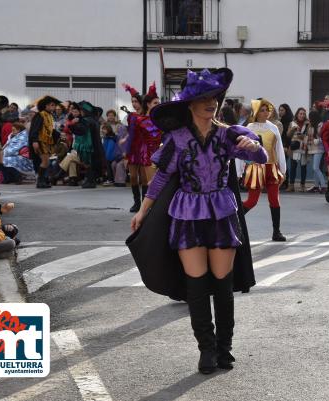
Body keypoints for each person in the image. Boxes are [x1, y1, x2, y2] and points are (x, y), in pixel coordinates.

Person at [132, 68, 266, 374]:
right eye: (203, 98)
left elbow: (259, 157)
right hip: (187, 214)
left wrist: (253, 147)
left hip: (221, 212)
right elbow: (162, 177)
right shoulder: (177, 138)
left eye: (214, 98)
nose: (211, 103)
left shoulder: (230, 134)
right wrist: (143, 210)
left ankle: (224, 348)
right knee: (197, 286)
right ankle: (206, 349)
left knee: (222, 284)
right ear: (190, 103)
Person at [236, 99, 287, 241]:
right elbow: (241, 151)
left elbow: (279, 149)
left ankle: (276, 232)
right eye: (263, 110)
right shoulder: (249, 128)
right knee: (252, 201)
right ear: (257, 112)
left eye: (267, 110)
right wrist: (239, 171)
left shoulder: (273, 128)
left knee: (274, 200)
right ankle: (233, 221)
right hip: (255, 168)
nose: (266, 112)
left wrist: (283, 169)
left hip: (272, 167)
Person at [122, 82, 162, 212]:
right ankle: (137, 202)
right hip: (136, 150)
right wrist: (127, 153)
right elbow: (132, 135)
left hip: (151, 152)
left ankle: (146, 206)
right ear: (149, 104)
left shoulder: (159, 118)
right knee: (133, 177)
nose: (134, 104)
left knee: (146, 180)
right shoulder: (135, 118)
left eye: (136, 101)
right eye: (132, 101)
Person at [28, 95, 60, 188]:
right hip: (40, 141)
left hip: (47, 142)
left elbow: (50, 130)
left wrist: (59, 135)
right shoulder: (40, 115)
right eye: (52, 105)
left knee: (45, 162)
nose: (54, 107)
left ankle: (44, 180)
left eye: (54, 105)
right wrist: (34, 141)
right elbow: (35, 129)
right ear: (45, 106)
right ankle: (40, 181)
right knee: (45, 162)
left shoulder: (50, 116)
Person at [286, 107, 309, 192]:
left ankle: (302, 185)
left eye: (303, 114)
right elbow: (288, 135)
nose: (302, 115)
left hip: (304, 147)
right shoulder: (292, 123)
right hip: (294, 148)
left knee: (303, 167)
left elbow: (310, 135)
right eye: (300, 113)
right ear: (297, 114)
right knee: (293, 166)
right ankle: (291, 185)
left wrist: (303, 136)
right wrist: (292, 129)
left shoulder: (308, 124)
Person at [306, 109, 326, 192]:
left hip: (319, 149)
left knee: (316, 168)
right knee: (315, 168)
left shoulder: (320, 125)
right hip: (312, 149)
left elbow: (324, 137)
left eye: (310, 117)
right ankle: (316, 186)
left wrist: (317, 141)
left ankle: (324, 186)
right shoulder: (311, 125)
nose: (308, 119)